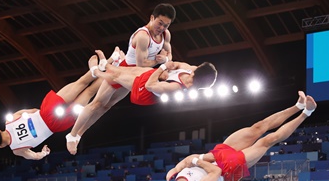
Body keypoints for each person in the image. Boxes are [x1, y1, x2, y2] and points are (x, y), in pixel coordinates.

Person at [162, 92, 316, 181]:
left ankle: (298, 105)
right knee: (268, 140)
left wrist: (177, 169)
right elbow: (215, 171)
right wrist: (199, 161)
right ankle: (307, 112)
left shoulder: (175, 176)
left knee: (258, 127)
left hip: (217, 153)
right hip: (228, 167)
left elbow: (185, 161)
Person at [65, 3, 176, 155]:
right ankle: (72, 134)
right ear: (152, 18)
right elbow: (141, 64)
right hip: (123, 72)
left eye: (166, 25)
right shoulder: (143, 36)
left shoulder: (166, 35)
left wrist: (166, 58)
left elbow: (169, 56)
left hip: (135, 77)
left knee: (106, 106)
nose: (161, 28)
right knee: (97, 103)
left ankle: (79, 134)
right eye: (160, 23)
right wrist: (159, 61)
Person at [66, 51, 217, 154]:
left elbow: (150, 86)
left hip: (145, 91)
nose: (193, 69)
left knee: (109, 91)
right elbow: (176, 64)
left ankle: (97, 70)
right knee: (101, 104)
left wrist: (163, 68)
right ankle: (74, 135)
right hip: (149, 75)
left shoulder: (178, 88)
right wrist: (166, 65)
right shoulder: (190, 69)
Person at [0, 63, 105, 160]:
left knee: (90, 92)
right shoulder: (11, 119)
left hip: (55, 125)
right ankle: (108, 63)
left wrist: (43, 153)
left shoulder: (17, 150)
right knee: (82, 82)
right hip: (47, 110)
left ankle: (111, 71)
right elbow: (34, 110)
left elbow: (35, 156)